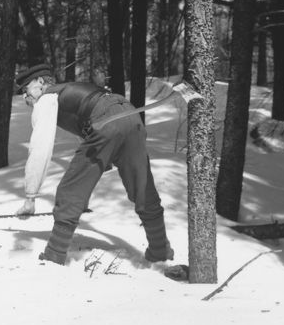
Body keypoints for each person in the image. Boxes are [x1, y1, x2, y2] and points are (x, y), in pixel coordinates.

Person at [14, 64, 174, 266]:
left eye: (25, 89)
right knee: (141, 186)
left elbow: (40, 148)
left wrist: (30, 196)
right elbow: (88, 125)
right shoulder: (68, 90)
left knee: (69, 190)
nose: (24, 97)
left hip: (106, 122)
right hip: (131, 116)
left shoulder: (47, 99)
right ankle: (159, 251)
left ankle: (54, 256)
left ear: (40, 82)